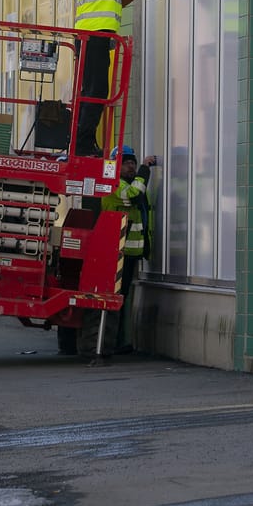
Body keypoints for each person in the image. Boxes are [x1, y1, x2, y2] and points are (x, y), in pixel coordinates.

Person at [73, 0, 163, 157]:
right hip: (94, 39)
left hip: (92, 40)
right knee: (95, 92)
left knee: (92, 92)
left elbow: (114, 2)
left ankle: (83, 143)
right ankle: (82, 146)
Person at [101, 144, 156, 352]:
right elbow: (133, 195)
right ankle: (112, 342)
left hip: (129, 253)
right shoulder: (114, 185)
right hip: (116, 252)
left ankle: (118, 341)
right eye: (126, 164)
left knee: (122, 298)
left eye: (132, 163)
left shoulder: (132, 183)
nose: (131, 167)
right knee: (116, 299)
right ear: (116, 166)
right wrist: (144, 169)